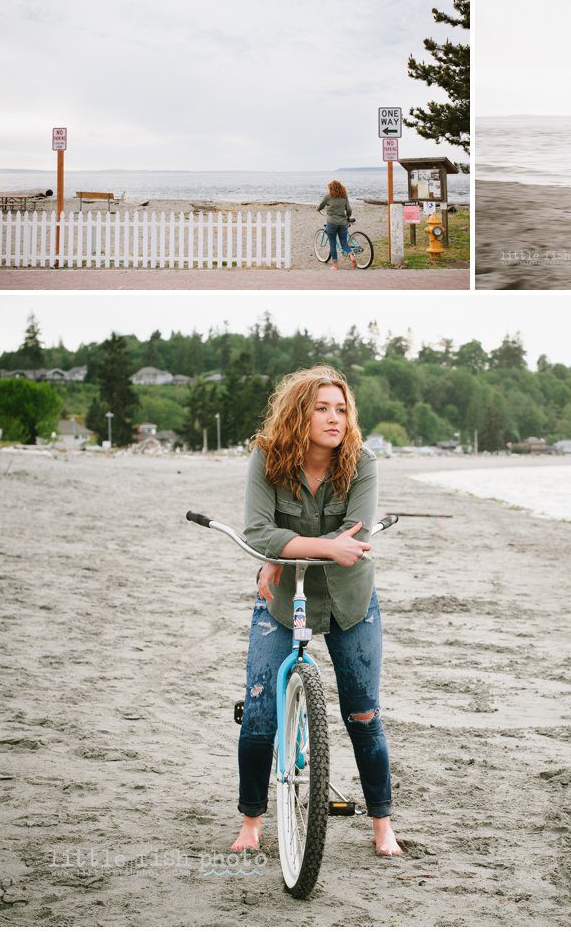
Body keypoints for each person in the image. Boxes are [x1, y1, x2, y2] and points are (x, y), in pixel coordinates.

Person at [231, 365, 401, 857]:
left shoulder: (362, 462)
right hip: (283, 601)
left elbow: (359, 535)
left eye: (342, 409)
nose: (334, 418)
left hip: (351, 601)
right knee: (260, 714)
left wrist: (280, 553)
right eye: (322, 408)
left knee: (363, 713)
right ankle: (251, 820)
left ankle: (382, 824)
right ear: (297, 413)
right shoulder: (266, 457)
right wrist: (283, 552)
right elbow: (257, 531)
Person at [317, 180, 356, 270]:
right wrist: (347, 217)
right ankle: (351, 256)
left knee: (332, 243)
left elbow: (320, 206)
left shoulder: (328, 197)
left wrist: (317, 209)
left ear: (330, 188)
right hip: (343, 223)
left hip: (332, 223)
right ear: (341, 188)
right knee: (344, 242)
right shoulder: (344, 197)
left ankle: (335, 265)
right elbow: (349, 210)